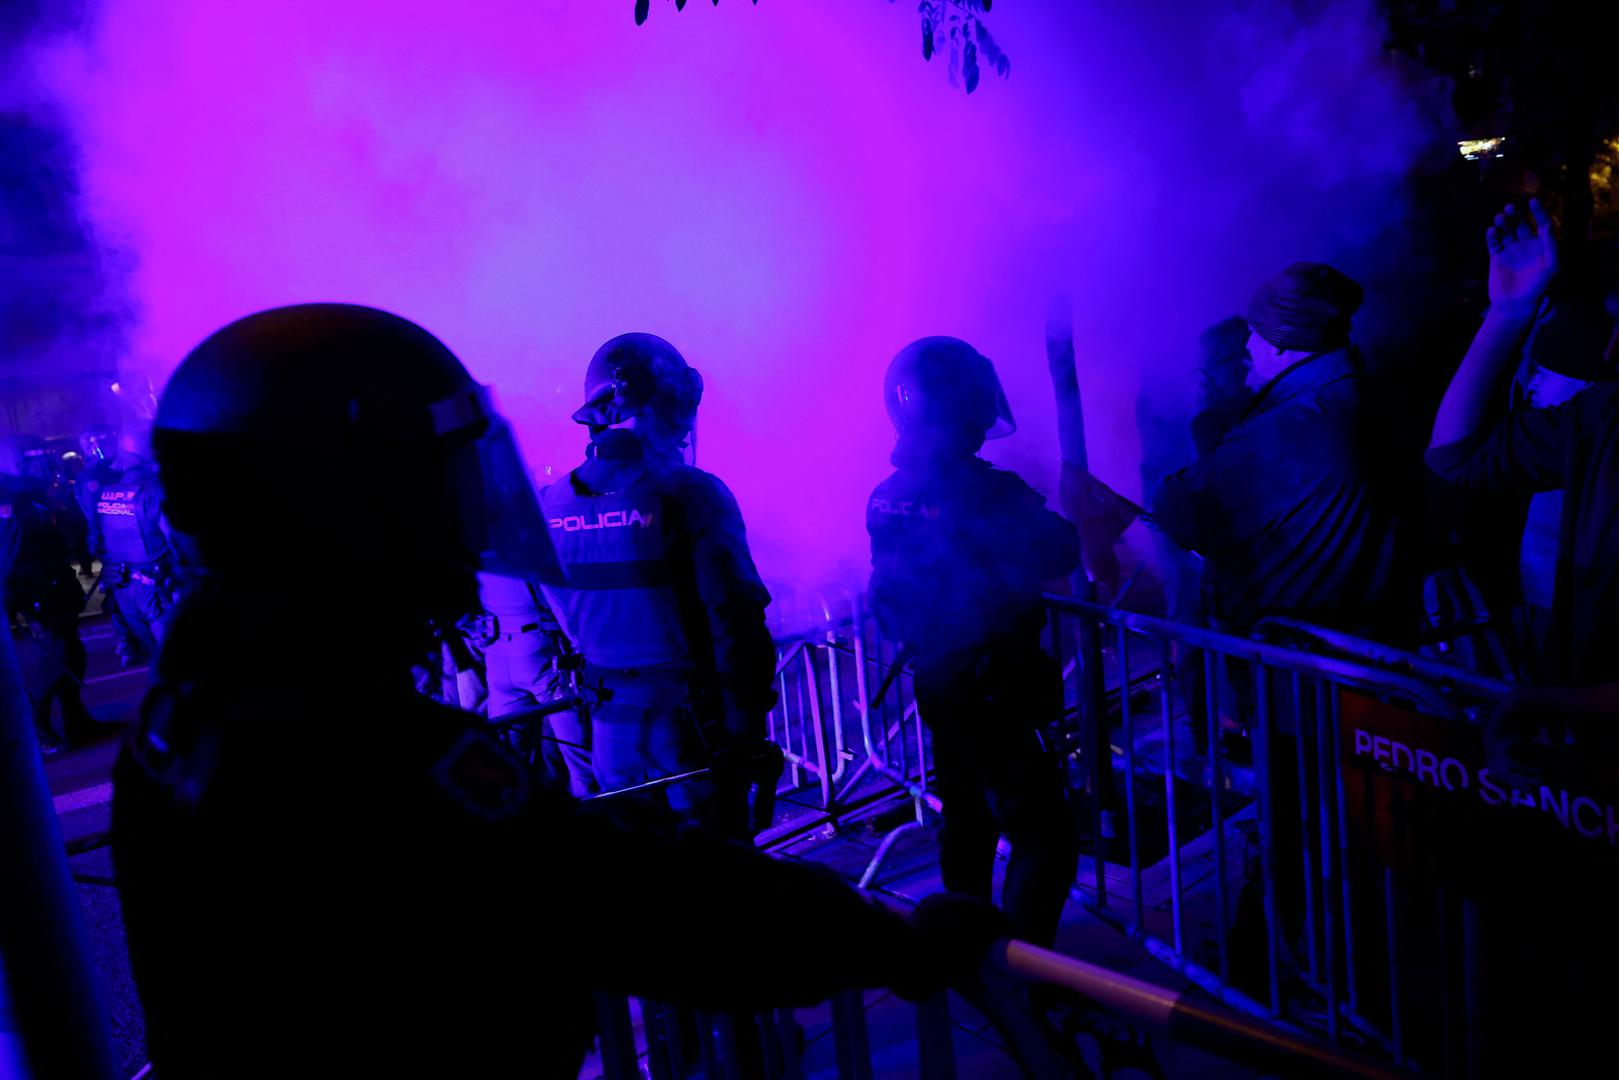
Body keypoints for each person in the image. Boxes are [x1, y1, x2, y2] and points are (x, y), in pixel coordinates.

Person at [110, 304, 1004, 1078]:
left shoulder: (188, 713)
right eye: (438, 484)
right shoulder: (362, 752)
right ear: (348, 508)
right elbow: (631, 894)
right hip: (681, 729)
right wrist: (893, 942)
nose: (461, 527)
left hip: (614, 726)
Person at [866, 336, 1082, 949]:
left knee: (965, 816)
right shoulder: (985, 490)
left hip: (938, 677)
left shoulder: (887, 493)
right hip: (995, 682)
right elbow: (1059, 546)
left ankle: (971, 955)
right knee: (1045, 835)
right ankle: (1025, 969)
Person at [536, 332, 778, 839]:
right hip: (691, 729)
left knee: (646, 888)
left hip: (609, 734)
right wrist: (747, 734)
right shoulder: (691, 492)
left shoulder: (552, 504)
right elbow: (735, 622)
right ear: (665, 406)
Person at [1427, 201, 1619, 690]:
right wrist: (1507, 313)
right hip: (1558, 607)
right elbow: (1457, 457)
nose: (1611, 353)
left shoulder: (1591, 388)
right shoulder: (1604, 416)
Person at [1507, 295, 1617, 676]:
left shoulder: (1587, 454)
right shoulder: (1552, 443)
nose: (1532, 383)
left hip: (1570, 611)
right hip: (1540, 598)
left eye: (1546, 372)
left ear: (1585, 386)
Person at [0, 436, 95, 751]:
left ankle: (76, 721)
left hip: (53, 585)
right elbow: (11, 555)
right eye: (34, 457)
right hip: (33, 590)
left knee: (73, 654)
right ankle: (38, 727)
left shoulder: (32, 493)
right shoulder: (13, 498)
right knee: (56, 658)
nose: (46, 462)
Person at [477, 569, 596, 795]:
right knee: (578, 755)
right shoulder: (529, 547)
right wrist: (578, 643)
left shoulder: (480, 547)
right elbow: (556, 597)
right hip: (536, 647)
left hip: (497, 649)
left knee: (508, 756)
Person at [80, 420, 172, 664]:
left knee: (155, 661)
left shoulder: (104, 490)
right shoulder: (154, 490)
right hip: (156, 587)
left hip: (122, 587)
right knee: (177, 662)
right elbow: (177, 542)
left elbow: (96, 537)